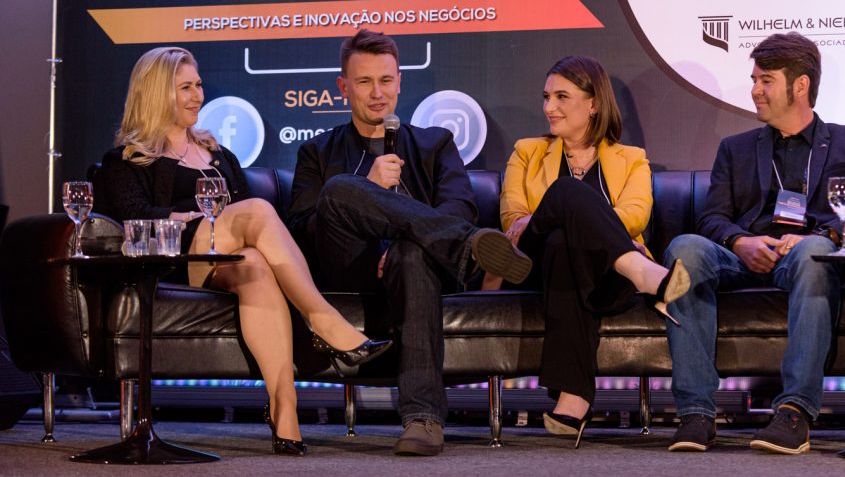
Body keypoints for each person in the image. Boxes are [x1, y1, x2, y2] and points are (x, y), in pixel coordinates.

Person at [98, 47, 391, 457]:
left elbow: (241, 223)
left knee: (254, 262)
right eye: (185, 88)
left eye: (198, 85)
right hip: (175, 261)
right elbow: (132, 216)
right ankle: (322, 319)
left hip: (225, 260)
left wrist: (223, 223)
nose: (198, 96)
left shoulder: (219, 155)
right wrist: (184, 217)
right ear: (157, 93)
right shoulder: (128, 159)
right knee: (256, 210)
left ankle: (284, 406)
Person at [286, 29, 530, 457]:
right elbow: (303, 228)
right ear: (343, 87)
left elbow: (461, 209)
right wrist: (367, 186)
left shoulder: (435, 143)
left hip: (420, 267)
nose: (377, 93)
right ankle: (464, 249)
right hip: (350, 266)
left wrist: (402, 237)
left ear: (399, 81)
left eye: (386, 80)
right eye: (364, 82)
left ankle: (423, 419)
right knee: (339, 189)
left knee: (412, 253)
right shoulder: (317, 151)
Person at [662, 32, 845, 455]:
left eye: (766, 80)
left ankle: (794, 412)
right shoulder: (735, 149)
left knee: (815, 254)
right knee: (685, 249)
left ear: (800, 85)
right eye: (754, 80)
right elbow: (712, 217)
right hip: (741, 257)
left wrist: (824, 233)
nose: (755, 90)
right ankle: (696, 413)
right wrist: (739, 241)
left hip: (806, 254)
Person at [494, 55, 690, 448]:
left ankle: (575, 399)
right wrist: (578, 218)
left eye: (562, 97)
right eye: (547, 97)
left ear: (593, 104)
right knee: (565, 195)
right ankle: (642, 272)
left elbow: (636, 214)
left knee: (563, 242)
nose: (549, 107)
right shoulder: (527, 151)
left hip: (602, 276)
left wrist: (573, 226)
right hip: (534, 266)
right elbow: (513, 219)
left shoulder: (631, 158)